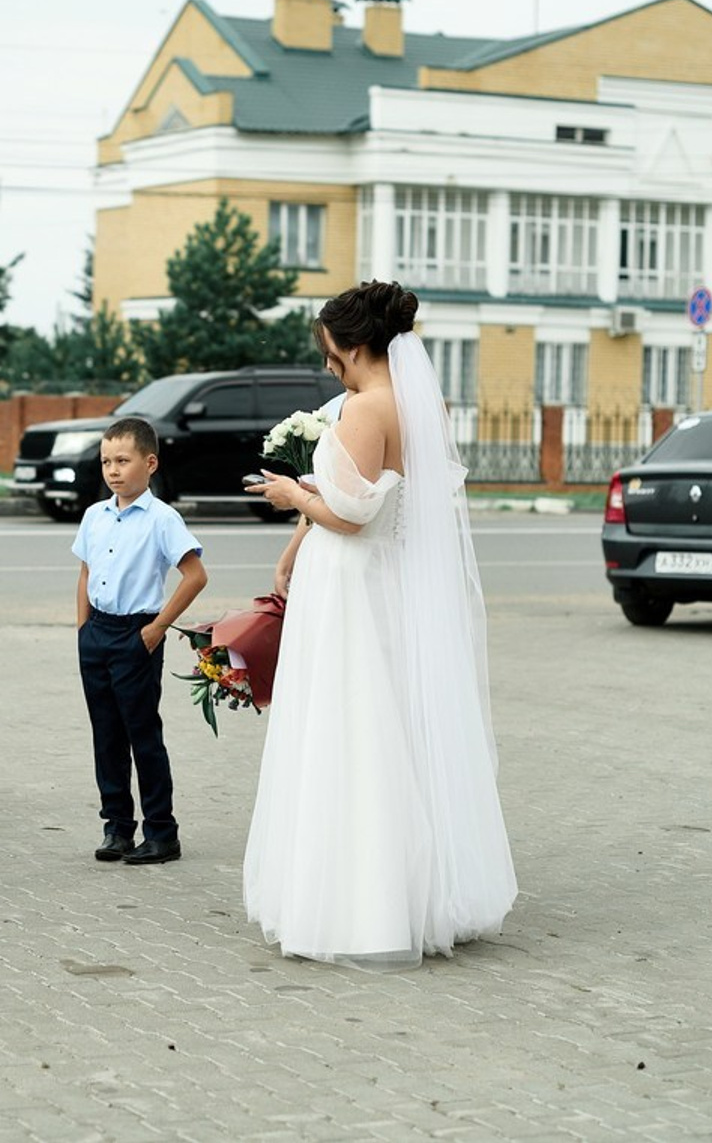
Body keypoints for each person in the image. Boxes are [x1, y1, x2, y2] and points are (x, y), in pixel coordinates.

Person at [243, 281, 517, 969]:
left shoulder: (367, 408)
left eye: (329, 346)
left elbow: (355, 513)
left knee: (351, 729)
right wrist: (302, 528)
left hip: (351, 584)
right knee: (388, 724)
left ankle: (359, 905)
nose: (326, 360)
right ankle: (410, 892)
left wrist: (291, 493)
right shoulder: (419, 403)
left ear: (352, 342)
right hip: (385, 580)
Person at [73, 416, 208, 865]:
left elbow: (195, 576)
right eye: (106, 461)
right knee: (106, 735)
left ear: (149, 463)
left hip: (137, 634)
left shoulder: (162, 519)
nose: (113, 470)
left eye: (123, 460)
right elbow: (86, 571)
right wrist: (83, 628)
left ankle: (162, 832)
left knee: (142, 734)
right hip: (97, 635)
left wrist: (156, 630)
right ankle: (117, 828)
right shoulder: (95, 515)